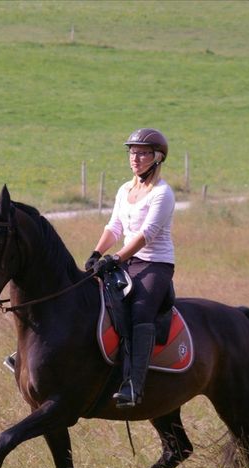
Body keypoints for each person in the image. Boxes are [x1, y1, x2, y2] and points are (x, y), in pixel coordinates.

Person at [85, 128, 176, 408]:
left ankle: (134, 385)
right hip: (128, 259)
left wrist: (116, 258)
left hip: (155, 264)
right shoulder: (125, 189)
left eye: (143, 153)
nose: (135, 158)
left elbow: (146, 234)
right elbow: (115, 226)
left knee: (139, 312)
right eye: (132, 152)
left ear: (157, 158)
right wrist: (97, 252)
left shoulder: (162, 193)